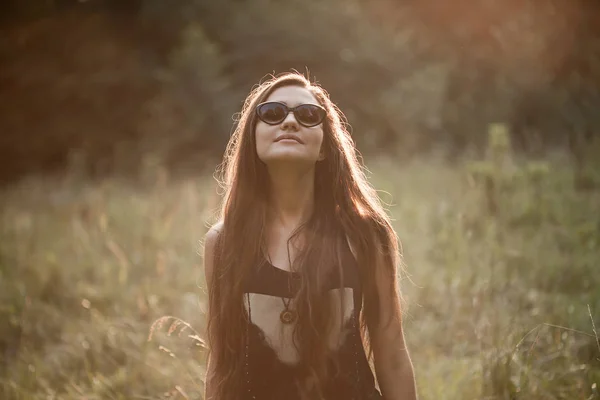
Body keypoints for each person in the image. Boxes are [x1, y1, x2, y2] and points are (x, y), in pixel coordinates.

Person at [203, 71, 417, 400]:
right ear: (253, 138)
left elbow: (393, 356)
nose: (290, 122)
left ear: (324, 149)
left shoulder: (366, 235)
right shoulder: (222, 243)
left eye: (307, 115)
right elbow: (220, 364)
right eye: (272, 113)